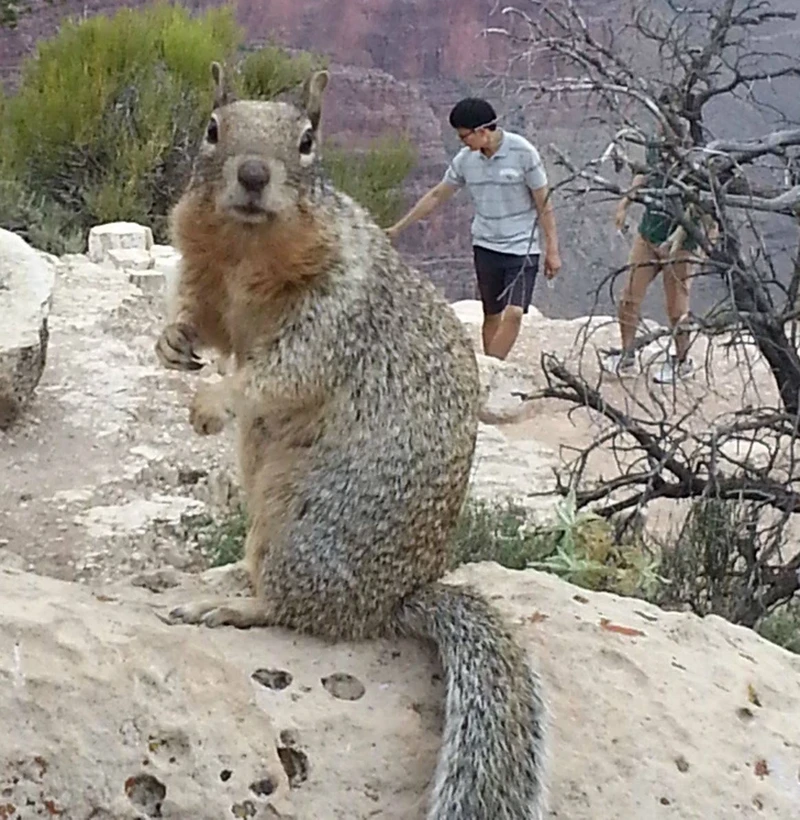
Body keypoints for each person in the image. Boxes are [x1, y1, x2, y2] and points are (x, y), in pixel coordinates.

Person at [386, 97, 561, 360]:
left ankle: (493, 365)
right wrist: (398, 228)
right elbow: (437, 195)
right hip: (486, 246)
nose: (463, 142)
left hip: (522, 246)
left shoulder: (523, 153)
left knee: (514, 312)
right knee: (491, 313)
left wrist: (552, 249)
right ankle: (490, 368)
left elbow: (543, 202)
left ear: (482, 131)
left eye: (464, 135)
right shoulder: (465, 160)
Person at [603, 120, 712, 384]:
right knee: (629, 295)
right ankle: (627, 354)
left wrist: (684, 242)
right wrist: (624, 203)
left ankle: (682, 360)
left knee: (676, 306)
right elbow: (645, 173)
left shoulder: (698, 157)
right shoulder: (655, 146)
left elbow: (701, 207)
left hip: (683, 242)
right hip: (650, 233)